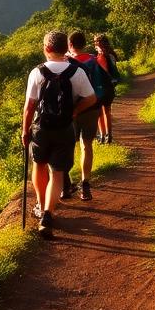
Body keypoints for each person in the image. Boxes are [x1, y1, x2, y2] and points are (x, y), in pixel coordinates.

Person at [21, 31, 96, 238]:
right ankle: (48, 213)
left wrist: (24, 131)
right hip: (64, 129)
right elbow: (91, 98)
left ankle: (39, 203)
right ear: (66, 48)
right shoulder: (76, 72)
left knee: (39, 166)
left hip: (41, 129)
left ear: (46, 48)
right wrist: (74, 111)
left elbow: (29, 107)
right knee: (57, 173)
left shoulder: (37, 72)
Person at [65, 31, 102, 201]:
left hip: (71, 110)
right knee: (87, 145)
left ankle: (67, 183)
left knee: (68, 147)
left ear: (70, 44)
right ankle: (85, 184)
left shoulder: (66, 63)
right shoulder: (93, 60)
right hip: (91, 107)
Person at [93, 34, 119, 144]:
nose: (95, 46)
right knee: (107, 111)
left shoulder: (99, 57)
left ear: (99, 44)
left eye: (95, 43)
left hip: (100, 88)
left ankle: (102, 135)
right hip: (110, 88)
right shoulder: (112, 55)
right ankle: (109, 135)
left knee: (99, 112)